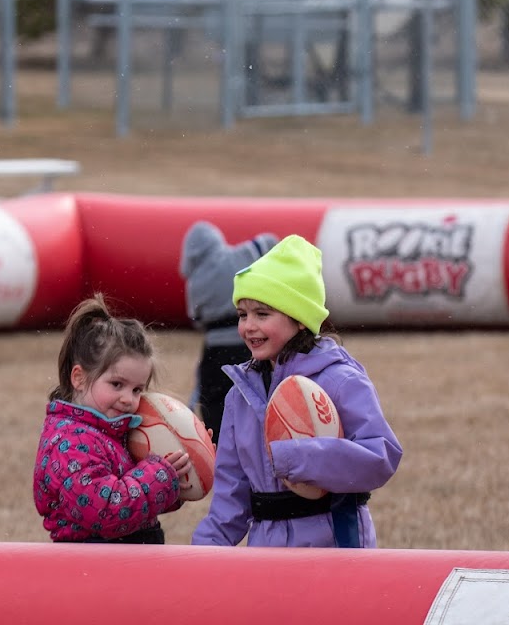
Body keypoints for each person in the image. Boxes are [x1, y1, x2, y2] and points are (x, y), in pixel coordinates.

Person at [192, 234, 402, 549]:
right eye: (242, 314)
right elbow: (231, 496)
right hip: (266, 555)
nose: (249, 326)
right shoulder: (240, 396)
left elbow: (381, 456)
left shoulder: (340, 381)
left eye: (262, 314)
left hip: (336, 549)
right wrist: (205, 551)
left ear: (300, 320)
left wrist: (303, 459)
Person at [33, 293, 189, 544]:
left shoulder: (113, 432)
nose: (129, 399)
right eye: (117, 384)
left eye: (137, 389)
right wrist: (159, 476)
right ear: (79, 378)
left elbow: (137, 504)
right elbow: (106, 512)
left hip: (122, 567)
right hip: (92, 571)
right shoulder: (69, 443)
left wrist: (180, 473)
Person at [179, 221, 278, 442]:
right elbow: (270, 241)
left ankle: (219, 451)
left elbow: (195, 318)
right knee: (255, 399)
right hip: (249, 345)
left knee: (214, 406)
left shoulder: (195, 282)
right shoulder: (240, 257)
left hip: (215, 353)